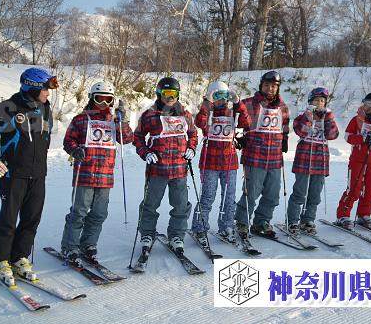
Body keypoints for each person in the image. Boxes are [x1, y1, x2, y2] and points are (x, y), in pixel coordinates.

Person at [0, 67, 58, 286]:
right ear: (32, 88)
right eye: (45, 88)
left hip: (38, 174)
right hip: (13, 174)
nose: (48, 93)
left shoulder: (45, 108)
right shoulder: (9, 107)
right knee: (8, 218)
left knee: (32, 218)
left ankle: (19, 257)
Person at [60, 82, 133, 267]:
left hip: (105, 176)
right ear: (92, 98)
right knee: (79, 212)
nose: (104, 103)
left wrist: (123, 121)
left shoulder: (114, 120)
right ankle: (70, 247)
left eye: (108, 99)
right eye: (100, 99)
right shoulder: (81, 119)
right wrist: (75, 150)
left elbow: (127, 139)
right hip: (85, 174)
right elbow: (68, 141)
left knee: (99, 214)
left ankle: (88, 244)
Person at [133, 77, 198, 253]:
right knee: (150, 205)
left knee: (181, 206)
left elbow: (193, 134)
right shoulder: (150, 115)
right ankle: (147, 234)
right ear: (159, 94)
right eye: (166, 93)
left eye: (173, 93)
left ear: (178, 94)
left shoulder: (185, 114)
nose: (170, 97)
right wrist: (145, 153)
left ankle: (176, 235)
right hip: (157, 169)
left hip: (179, 169)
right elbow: (137, 137)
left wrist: (191, 148)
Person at [191, 81, 250, 245]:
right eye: (217, 96)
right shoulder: (208, 112)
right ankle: (199, 228)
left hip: (229, 162)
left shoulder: (233, 112)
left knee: (229, 197)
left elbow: (246, 122)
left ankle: (226, 226)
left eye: (224, 96)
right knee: (207, 196)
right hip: (210, 162)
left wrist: (239, 104)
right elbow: (200, 122)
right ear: (211, 97)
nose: (221, 100)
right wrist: (207, 104)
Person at [235, 71, 290, 239]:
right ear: (261, 86)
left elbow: (285, 125)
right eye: (267, 85)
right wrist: (239, 136)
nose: (270, 89)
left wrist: (285, 139)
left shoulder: (282, 107)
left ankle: (262, 221)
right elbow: (235, 119)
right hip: (255, 156)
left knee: (272, 194)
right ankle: (242, 222)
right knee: (251, 193)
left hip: (274, 158)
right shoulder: (249, 104)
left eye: (274, 86)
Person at [335, 93, 371, 229]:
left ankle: (364, 215)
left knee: (370, 190)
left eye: (369, 104)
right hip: (358, 160)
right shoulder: (357, 119)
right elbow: (347, 136)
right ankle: (343, 215)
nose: (366, 106)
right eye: (365, 103)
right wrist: (362, 138)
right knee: (354, 189)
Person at [287, 87, 339, 234]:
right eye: (316, 100)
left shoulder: (327, 118)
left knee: (315, 194)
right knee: (300, 192)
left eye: (322, 101)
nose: (319, 103)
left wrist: (329, 118)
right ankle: (293, 221)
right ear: (311, 101)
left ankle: (308, 220)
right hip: (304, 160)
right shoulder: (302, 116)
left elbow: (333, 135)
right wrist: (309, 116)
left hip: (320, 161)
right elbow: (301, 131)